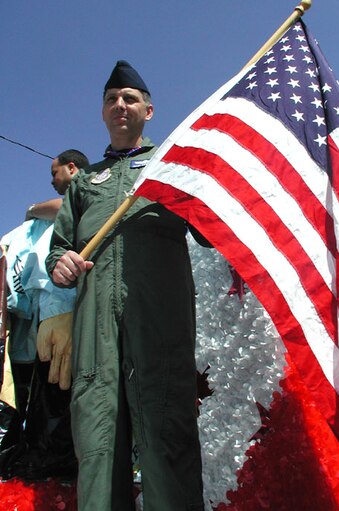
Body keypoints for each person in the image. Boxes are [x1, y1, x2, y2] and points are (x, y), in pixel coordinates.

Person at [46, 61, 205, 511]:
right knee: (97, 443)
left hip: (160, 325)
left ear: (148, 111)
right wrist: (61, 263)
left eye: (130, 98)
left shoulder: (172, 170)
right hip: (95, 334)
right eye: (112, 98)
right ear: (102, 111)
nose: (120, 105)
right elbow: (58, 249)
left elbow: (215, 232)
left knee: (166, 434)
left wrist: (211, 181)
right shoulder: (83, 185)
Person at [0, 148, 89, 480]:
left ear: (71, 168)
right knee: (35, 407)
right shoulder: (42, 224)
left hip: (64, 316)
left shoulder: (81, 199)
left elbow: (65, 207)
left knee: (57, 408)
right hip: (34, 324)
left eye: (55, 173)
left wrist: (30, 209)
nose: (52, 181)